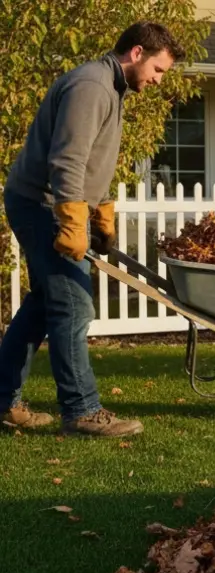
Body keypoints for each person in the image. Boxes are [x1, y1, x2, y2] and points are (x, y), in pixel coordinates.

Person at [1, 21, 184, 437]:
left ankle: (2, 401)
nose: (158, 81)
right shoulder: (93, 87)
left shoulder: (111, 87)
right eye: (158, 70)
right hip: (42, 204)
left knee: (43, 307)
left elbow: (92, 161)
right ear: (137, 53)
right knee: (73, 305)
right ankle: (82, 412)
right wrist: (71, 218)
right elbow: (67, 160)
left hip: (48, 202)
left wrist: (101, 210)